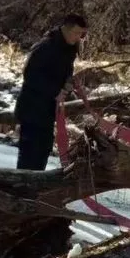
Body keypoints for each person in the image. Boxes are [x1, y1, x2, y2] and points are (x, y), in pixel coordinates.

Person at [14, 13, 88, 170]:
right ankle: (22, 190)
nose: (78, 38)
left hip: (47, 110)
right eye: (76, 33)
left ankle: (35, 190)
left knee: (43, 151)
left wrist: (68, 84)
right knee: (30, 154)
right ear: (66, 29)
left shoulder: (70, 48)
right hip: (31, 108)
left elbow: (66, 72)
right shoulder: (46, 46)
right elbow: (30, 75)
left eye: (81, 34)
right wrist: (56, 91)